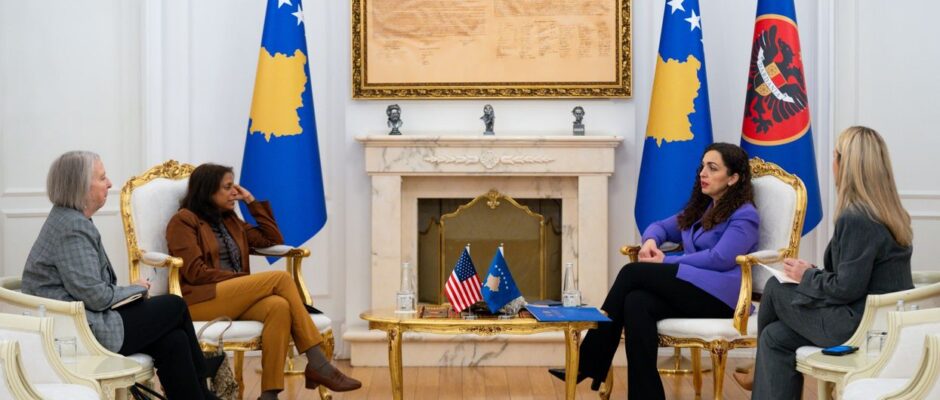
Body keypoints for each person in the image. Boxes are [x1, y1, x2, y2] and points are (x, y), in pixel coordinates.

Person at [549, 143, 760, 399]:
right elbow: (659, 227)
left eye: (712, 168)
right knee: (636, 302)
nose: (703, 173)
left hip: (722, 297)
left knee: (632, 273)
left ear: (733, 178)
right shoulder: (702, 208)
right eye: (703, 166)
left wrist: (667, 261)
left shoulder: (745, 216)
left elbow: (721, 258)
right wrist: (650, 241)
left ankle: (588, 362)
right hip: (693, 289)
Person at [21, 151, 216, 400]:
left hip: (81, 320)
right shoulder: (72, 227)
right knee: (175, 305)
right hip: (81, 333)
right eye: (102, 178)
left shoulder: (68, 219)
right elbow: (96, 297)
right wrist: (137, 289)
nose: (110, 183)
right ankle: (204, 383)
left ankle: (201, 394)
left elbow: (90, 291)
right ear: (81, 186)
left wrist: (130, 291)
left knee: (174, 340)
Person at [165, 163, 361, 400]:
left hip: (232, 298)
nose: (234, 192)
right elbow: (195, 272)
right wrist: (243, 282)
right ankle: (318, 363)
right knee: (280, 278)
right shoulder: (183, 221)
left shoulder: (230, 220)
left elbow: (272, 239)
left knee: (279, 306)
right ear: (207, 190)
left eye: (235, 186)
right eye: (227, 187)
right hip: (199, 301)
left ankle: (269, 395)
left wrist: (251, 201)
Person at [748, 126, 913, 399]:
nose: (832, 163)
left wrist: (806, 276)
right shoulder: (890, 214)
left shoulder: (857, 218)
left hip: (858, 326)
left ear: (847, 166)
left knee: (776, 288)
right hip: (879, 321)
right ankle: (759, 370)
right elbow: (857, 276)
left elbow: (847, 288)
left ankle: (756, 370)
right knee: (774, 337)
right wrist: (813, 273)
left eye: (835, 156)